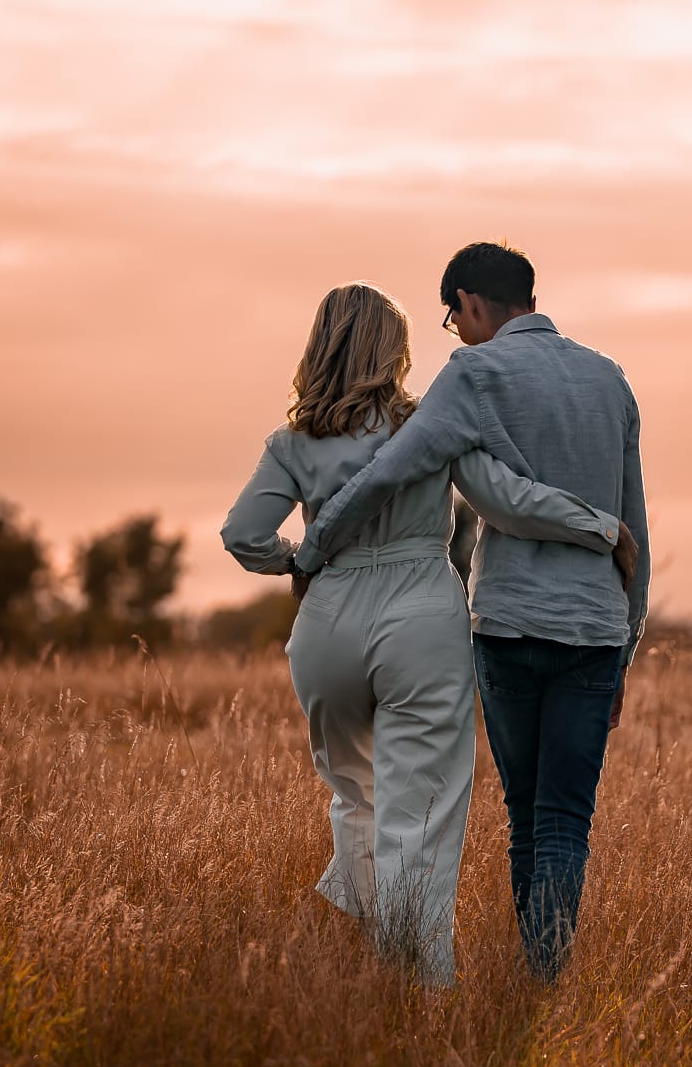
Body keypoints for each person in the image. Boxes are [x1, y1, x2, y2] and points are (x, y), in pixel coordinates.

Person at [222, 280, 637, 987]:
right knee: (425, 808)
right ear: (396, 350)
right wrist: (599, 527)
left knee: (356, 797)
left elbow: (242, 534)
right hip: (416, 613)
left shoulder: (291, 441)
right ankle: (421, 980)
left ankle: (378, 954)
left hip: (327, 621)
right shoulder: (428, 425)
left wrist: (295, 562)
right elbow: (508, 501)